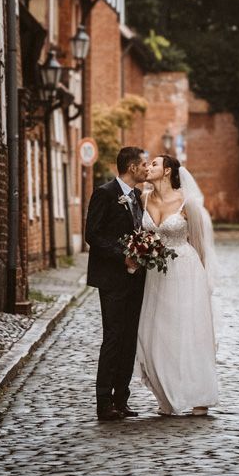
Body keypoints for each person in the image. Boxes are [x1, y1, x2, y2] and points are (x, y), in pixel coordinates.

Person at [135, 151, 220, 417]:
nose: (148, 167)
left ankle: (198, 396)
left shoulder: (187, 202)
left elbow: (199, 243)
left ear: (168, 170)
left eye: (154, 164)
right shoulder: (142, 198)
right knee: (156, 334)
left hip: (185, 270)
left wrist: (205, 281)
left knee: (188, 331)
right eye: (147, 164)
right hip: (155, 274)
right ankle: (165, 394)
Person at [84, 143, 150, 421]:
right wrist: (122, 256)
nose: (147, 168)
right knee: (112, 337)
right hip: (112, 278)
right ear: (132, 167)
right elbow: (93, 235)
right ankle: (104, 402)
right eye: (144, 164)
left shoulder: (137, 196)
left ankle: (122, 399)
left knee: (128, 338)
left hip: (136, 279)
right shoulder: (105, 193)